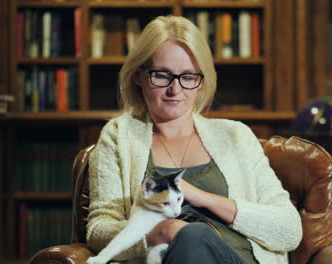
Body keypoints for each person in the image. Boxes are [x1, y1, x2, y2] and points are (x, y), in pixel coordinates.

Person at [86, 15, 302, 264]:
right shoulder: (118, 137)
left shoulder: (236, 136)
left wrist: (202, 197)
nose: (175, 90)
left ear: (201, 81)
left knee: (194, 236)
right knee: (191, 236)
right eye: (162, 75)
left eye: (188, 77)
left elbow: (289, 230)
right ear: (138, 76)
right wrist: (161, 232)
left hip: (236, 259)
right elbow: (98, 230)